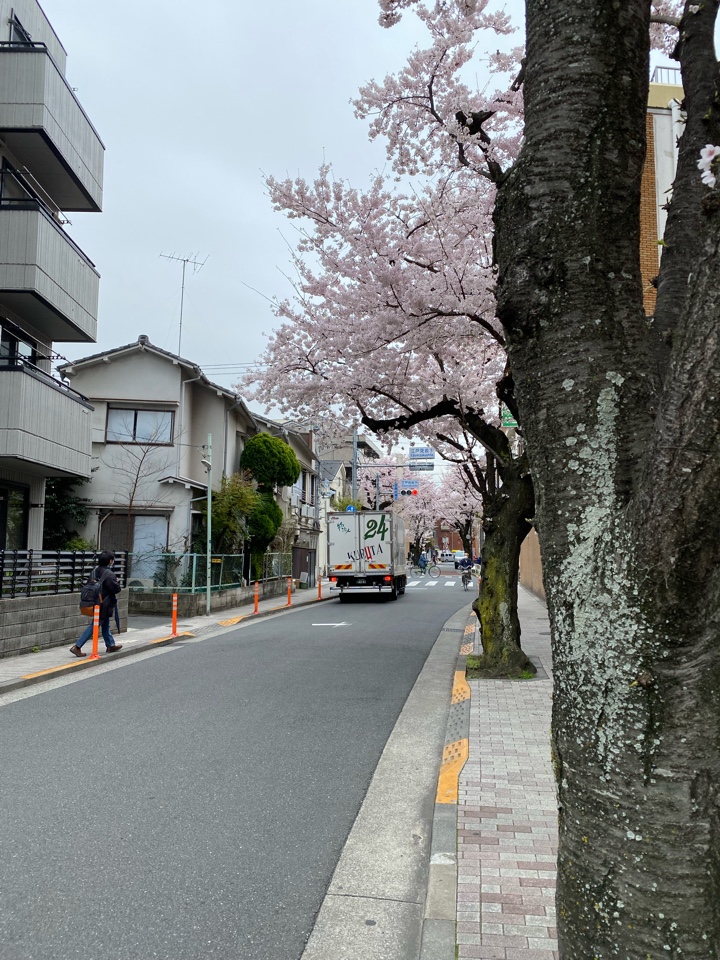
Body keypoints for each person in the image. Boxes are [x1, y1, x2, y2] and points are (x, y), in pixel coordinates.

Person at [70, 552, 123, 656]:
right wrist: (117, 582)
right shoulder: (109, 574)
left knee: (105, 624)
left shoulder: (94, 571)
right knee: (95, 624)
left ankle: (110, 645)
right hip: (104, 603)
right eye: (112, 560)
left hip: (92, 602)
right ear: (110, 561)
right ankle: (77, 646)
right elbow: (115, 589)